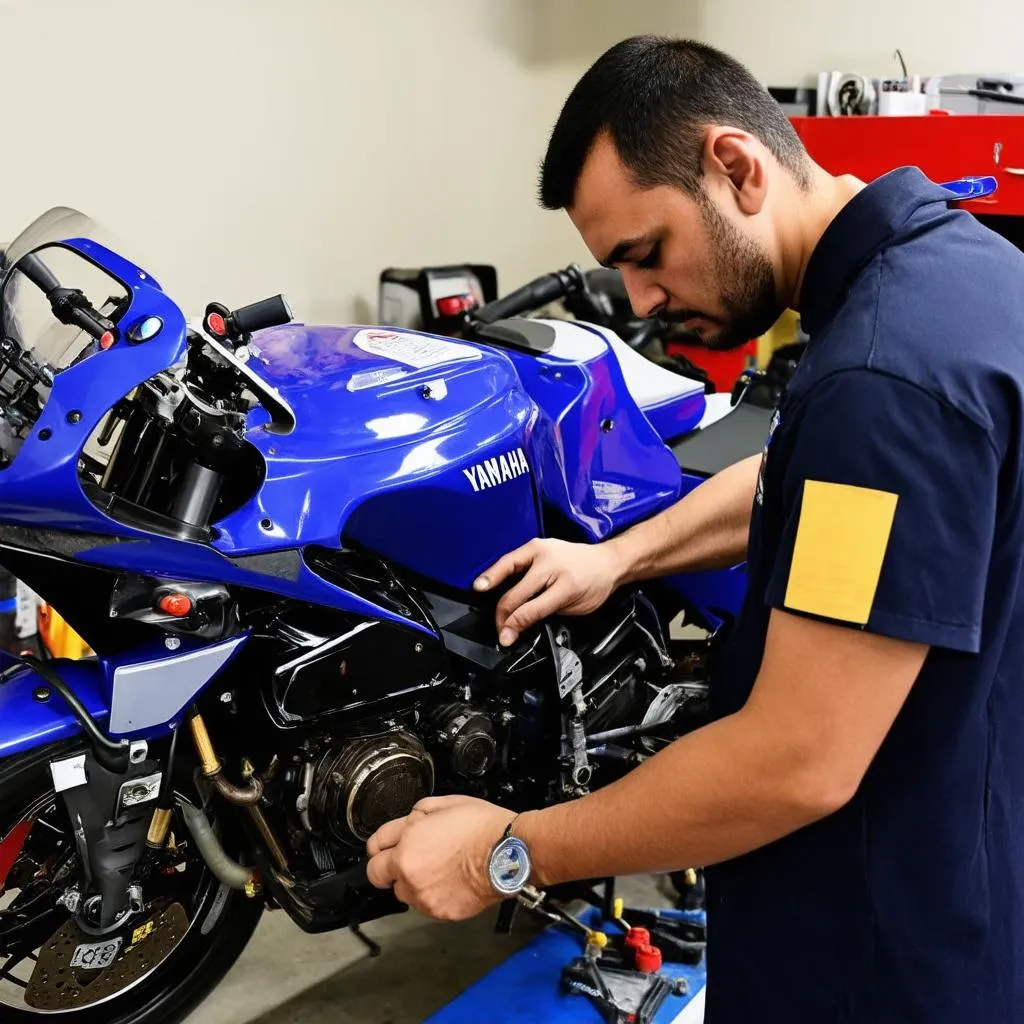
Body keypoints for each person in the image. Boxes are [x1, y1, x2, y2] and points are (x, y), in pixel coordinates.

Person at [366, 36, 1024, 1023]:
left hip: (878, 954)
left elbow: (795, 758)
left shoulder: (881, 383)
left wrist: (505, 849)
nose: (642, 301)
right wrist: (619, 557)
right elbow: (797, 480)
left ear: (735, 167)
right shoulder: (961, 276)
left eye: (647, 253)